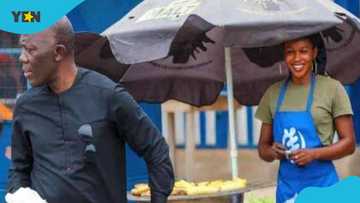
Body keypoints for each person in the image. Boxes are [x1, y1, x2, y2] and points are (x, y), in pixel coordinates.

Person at [7, 17, 174, 203]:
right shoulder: (26, 106)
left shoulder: (108, 95)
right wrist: (20, 196)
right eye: (22, 48)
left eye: (30, 50)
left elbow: (156, 150)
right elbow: (19, 169)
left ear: (58, 52)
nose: (22, 58)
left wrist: (158, 199)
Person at [255, 35, 355, 203]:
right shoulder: (273, 93)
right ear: (284, 55)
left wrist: (314, 154)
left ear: (314, 53)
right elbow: (262, 148)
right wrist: (273, 152)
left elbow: (349, 144)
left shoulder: (332, 89)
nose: (297, 58)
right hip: (288, 192)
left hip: (324, 190)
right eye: (290, 52)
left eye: (303, 51)